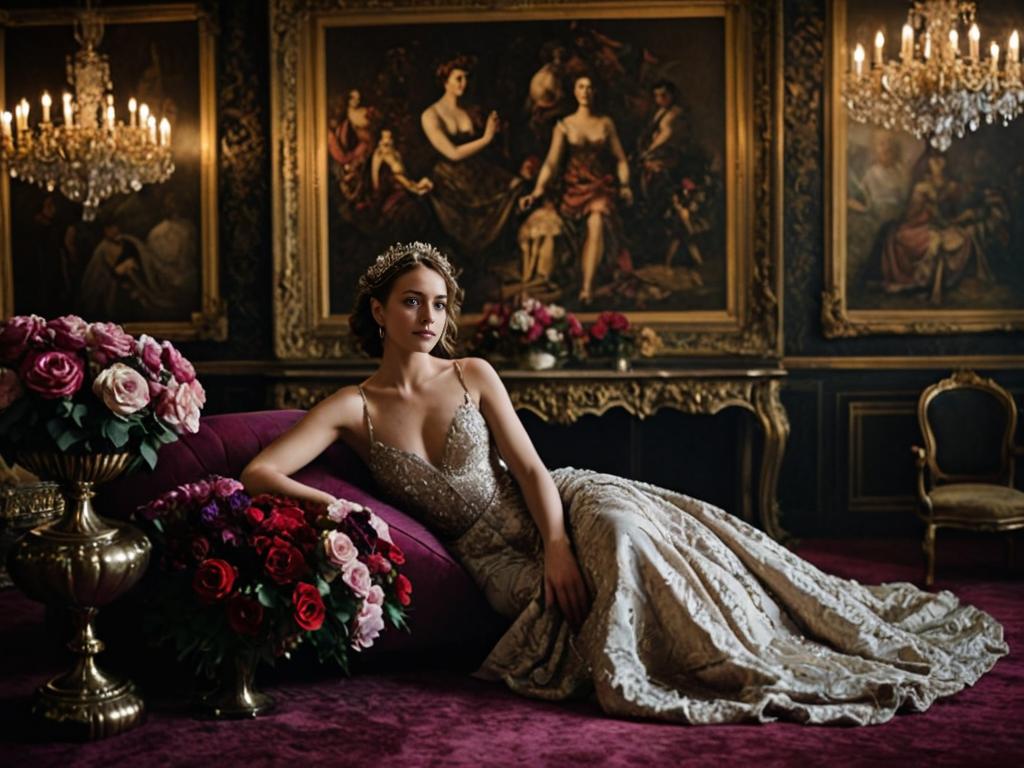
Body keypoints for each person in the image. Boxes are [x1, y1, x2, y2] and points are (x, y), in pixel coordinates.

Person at [242, 241, 1006, 725]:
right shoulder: (351, 406)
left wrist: (557, 546)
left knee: (626, 532)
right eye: (412, 301)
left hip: (555, 502)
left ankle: (748, 641)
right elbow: (260, 471)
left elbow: (534, 469)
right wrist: (337, 505)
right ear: (378, 311)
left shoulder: (473, 372)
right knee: (589, 585)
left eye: (440, 303)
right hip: (487, 556)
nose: (430, 316)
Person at [519, 75, 633, 305]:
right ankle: (580, 282)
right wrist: (537, 191)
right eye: (581, 87)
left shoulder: (605, 123)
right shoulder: (565, 125)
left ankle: (587, 289)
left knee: (597, 218)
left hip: (600, 187)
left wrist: (625, 185)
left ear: (594, 92)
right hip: (572, 191)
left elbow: (620, 159)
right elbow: (551, 163)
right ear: (574, 91)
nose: (585, 91)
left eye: (590, 87)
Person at [420, 55, 523, 254]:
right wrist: (487, 137)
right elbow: (453, 153)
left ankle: (499, 255)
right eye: (459, 78)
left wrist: (497, 131)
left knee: (515, 186)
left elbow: (489, 146)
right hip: (449, 177)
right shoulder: (431, 115)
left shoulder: (470, 110)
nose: (464, 83)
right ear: (445, 81)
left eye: (466, 78)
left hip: (476, 169)